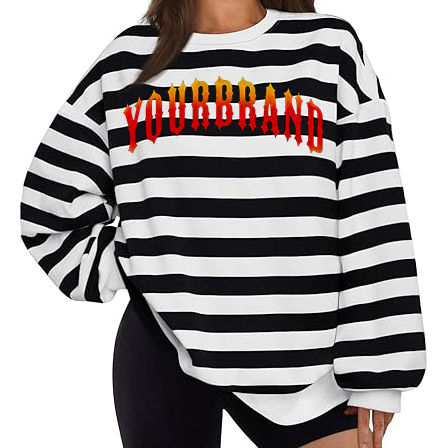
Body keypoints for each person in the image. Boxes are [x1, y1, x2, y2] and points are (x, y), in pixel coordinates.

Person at [19, 1, 427, 447]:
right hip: (164, 347)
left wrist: (380, 374)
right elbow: (49, 206)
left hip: (311, 369)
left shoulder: (328, 49)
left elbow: (373, 212)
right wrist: (138, 259)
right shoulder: (127, 62)